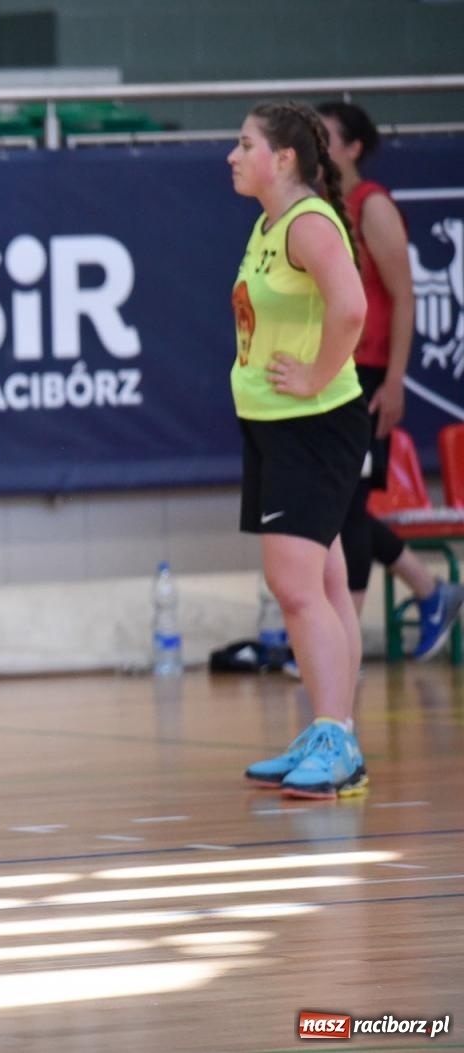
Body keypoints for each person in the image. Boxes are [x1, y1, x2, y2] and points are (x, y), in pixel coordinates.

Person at [227, 103, 371, 800]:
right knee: (325, 584)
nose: (232, 154)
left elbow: (352, 309)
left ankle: (336, 740)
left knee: (294, 586)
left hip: (311, 425)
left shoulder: (309, 224)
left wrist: (315, 376)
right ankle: (333, 729)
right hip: (278, 425)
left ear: (282, 157)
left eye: (245, 143)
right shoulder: (272, 224)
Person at [317, 100, 462, 660]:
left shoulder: (370, 206)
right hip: (333, 375)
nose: (317, 147)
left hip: (368, 375)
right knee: (336, 506)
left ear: (353, 148)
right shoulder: (320, 208)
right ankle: (432, 590)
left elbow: (403, 297)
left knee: (348, 506)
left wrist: (396, 379)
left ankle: (343, 649)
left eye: (326, 137)